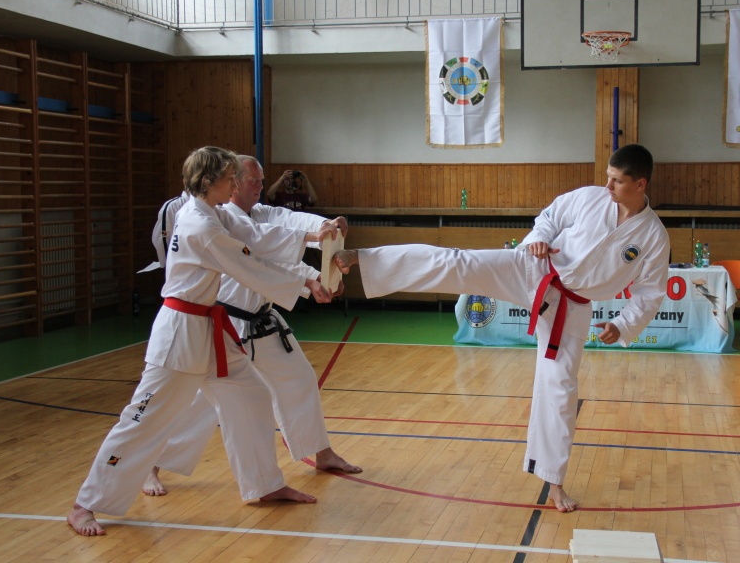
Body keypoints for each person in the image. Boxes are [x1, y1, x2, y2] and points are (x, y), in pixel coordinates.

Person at [332, 144, 670, 513]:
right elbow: (550, 217)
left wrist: (622, 325)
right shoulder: (590, 198)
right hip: (535, 269)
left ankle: (554, 482)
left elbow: (650, 292)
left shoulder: (653, 236)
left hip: (572, 308)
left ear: (640, 184)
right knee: (458, 263)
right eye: (607, 177)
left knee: (560, 390)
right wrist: (537, 238)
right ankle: (363, 259)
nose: (607, 186)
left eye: (616, 181)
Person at [67, 147, 336, 536]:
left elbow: (253, 234)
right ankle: (85, 504)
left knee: (252, 396)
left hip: (211, 330)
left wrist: (313, 235)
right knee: (143, 419)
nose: (235, 185)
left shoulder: (212, 212)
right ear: (210, 181)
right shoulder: (201, 226)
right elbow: (247, 266)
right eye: (229, 178)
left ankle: (264, 484)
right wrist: (306, 282)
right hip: (180, 335)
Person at [143, 155, 361, 498]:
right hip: (227, 323)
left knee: (299, 378)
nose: (259, 186)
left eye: (262, 180)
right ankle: (151, 466)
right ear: (231, 184)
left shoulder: (260, 213)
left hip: (263, 321)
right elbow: (260, 256)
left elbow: (287, 223)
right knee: (202, 404)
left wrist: (327, 227)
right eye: (251, 181)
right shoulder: (220, 218)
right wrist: (309, 280)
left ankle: (321, 452)